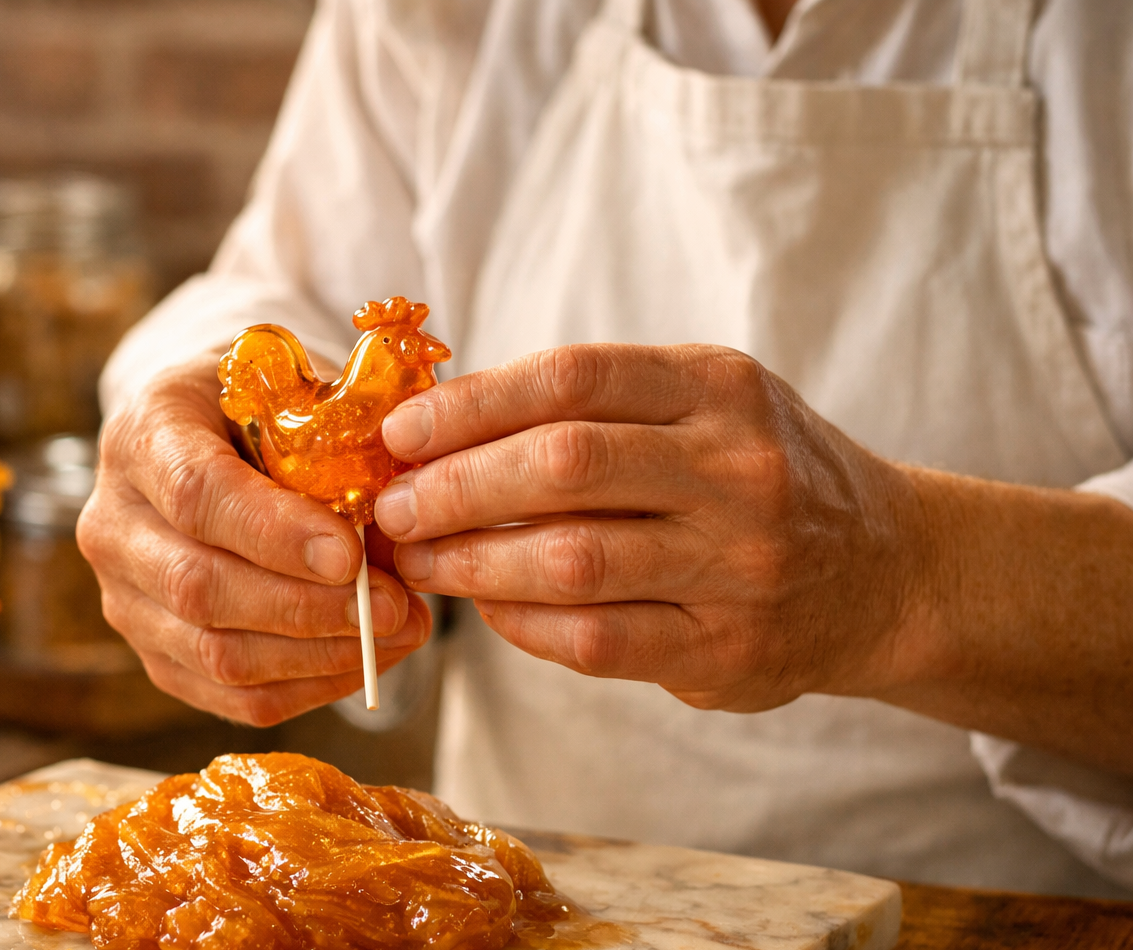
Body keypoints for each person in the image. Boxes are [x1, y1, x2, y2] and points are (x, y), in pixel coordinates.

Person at [79, 0, 1133, 897]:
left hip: (1018, 931)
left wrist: (909, 573)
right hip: (525, 921)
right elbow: (287, 287)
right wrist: (192, 450)